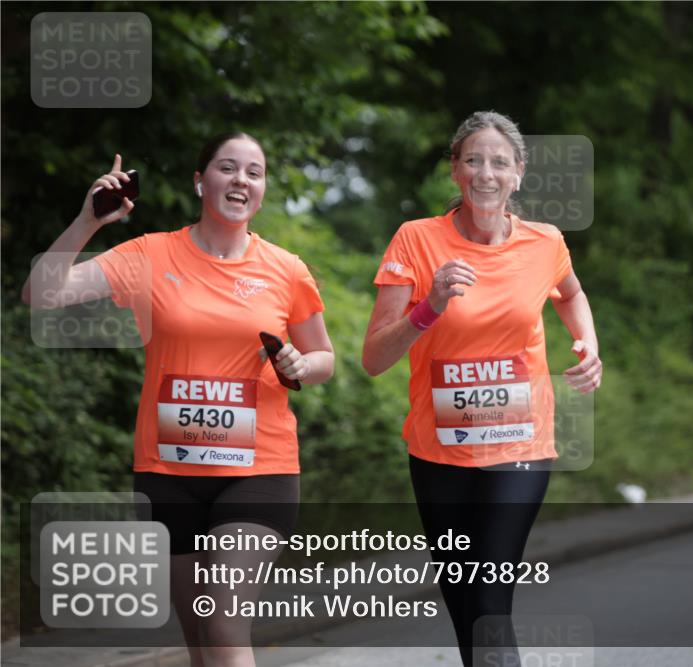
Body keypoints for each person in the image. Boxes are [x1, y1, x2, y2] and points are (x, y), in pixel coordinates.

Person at [22, 134, 335, 667]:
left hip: (259, 471)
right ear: (200, 180)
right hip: (169, 473)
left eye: (254, 172)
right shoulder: (150, 254)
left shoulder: (286, 269)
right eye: (227, 167)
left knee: (224, 621)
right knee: (201, 642)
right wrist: (89, 222)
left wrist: (302, 366)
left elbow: (324, 356)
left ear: (261, 191)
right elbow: (42, 293)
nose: (241, 180)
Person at [362, 111, 601, 667]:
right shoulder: (416, 240)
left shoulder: (545, 243)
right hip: (438, 451)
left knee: (490, 600)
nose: (485, 173)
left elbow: (569, 295)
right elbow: (375, 358)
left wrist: (588, 344)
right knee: (465, 605)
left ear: (518, 174)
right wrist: (431, 306)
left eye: (499, 162)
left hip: (521, 446)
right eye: (473, 160)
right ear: (455, 171)